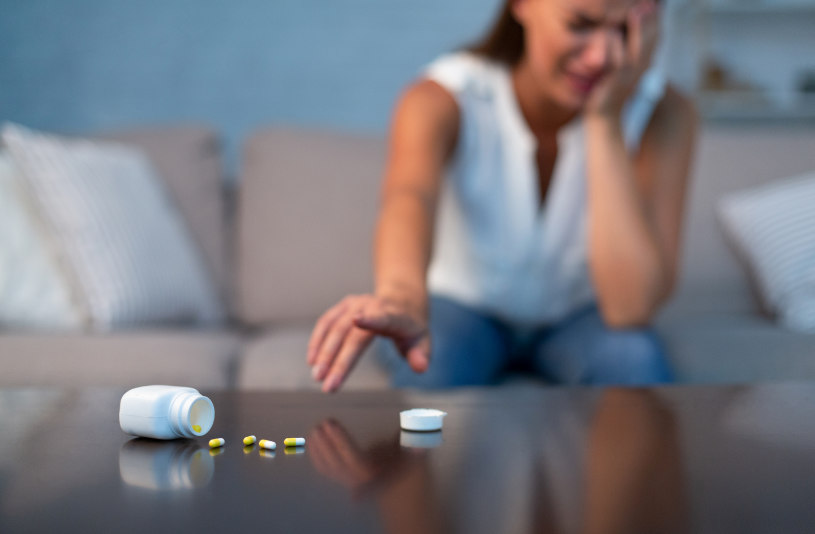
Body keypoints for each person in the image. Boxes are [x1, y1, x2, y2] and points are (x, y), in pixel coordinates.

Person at [307, 0, 697, 393]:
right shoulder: (441, 98)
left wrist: (604, 119)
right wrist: (400, 296)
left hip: (581, 316)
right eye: (580, 24)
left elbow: (630, 308)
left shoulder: (666, 114)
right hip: (462, 310)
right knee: (433, 360)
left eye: (625, 32)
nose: (602, 57)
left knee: (635, 357)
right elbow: (409, 198)